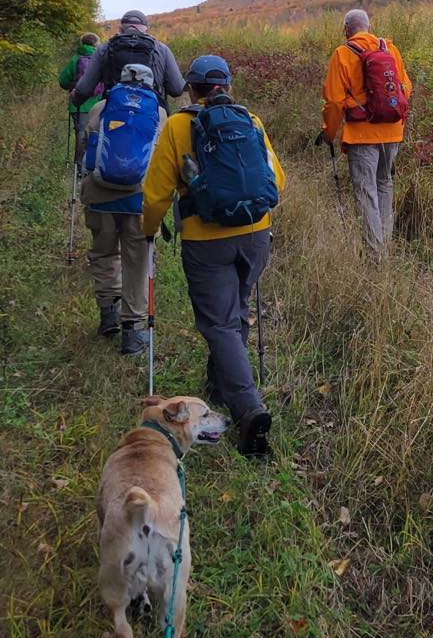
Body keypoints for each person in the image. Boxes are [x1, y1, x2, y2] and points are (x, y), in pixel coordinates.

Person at [142, 55, 285, 459]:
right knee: (235, 311)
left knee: (220, 324)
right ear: (227, 85)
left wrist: (148, 230)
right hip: (257, 234)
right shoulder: (251, 120)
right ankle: (218, 384)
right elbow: (278, 179)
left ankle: (247, 411)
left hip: (207, 240)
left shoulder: (177, 125)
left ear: (192, 88)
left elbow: (155, 193)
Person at [81, 65, 168, 351]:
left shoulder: (102, 107)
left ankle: (108, 314)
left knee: (105, 253)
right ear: (149, 83)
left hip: (100, 195)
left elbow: (86, 145)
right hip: (139, 200)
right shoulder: (158, 112)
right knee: (138, 262)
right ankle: (132, 332)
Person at [322, 9, 412, 251]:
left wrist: (329, 133)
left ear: (346, 31)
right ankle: (385, 247)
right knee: (385, 184)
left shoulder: (342, 54)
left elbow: (334, 102)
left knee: (366, 191)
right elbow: (405, 88)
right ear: (369, 27)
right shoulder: (389, 49)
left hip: (362, 135)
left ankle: (376, 256)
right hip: (393, 131)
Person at [72, 9, 185, 108]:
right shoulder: (162, 49)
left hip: (113, 113)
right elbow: (177, 89)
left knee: (92, 127)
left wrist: (76, 99)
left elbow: (84, 89)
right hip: (152, 114)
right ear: (146, 30)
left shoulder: (104, 48)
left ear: (121, 29)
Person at [59, 32, 102, 161]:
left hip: (77, 103)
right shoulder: (100, 59)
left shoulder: (75, 59)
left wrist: (73, 86)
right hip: (97, 103)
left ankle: (78, 166)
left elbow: (63, 81)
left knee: (81, 133)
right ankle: (92, 163)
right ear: (96, 44)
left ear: (82, 43)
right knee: (96, 133)